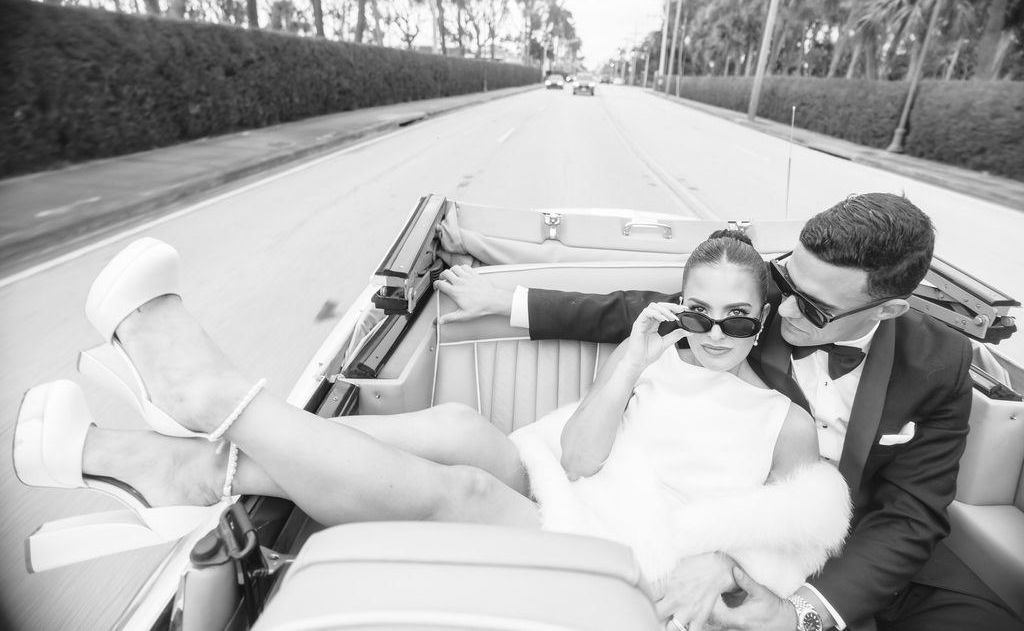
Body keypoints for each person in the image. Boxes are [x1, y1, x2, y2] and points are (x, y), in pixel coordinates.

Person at [14, 232, 850, 631]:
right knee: (456, 423)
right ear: (677, 307)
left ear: (765, 314)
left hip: (636, 550)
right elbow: (581, 456)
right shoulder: (654, 363)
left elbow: (781, 563)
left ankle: (201, 412)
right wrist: (629, 361)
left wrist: (726, 564)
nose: (714, 331)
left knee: (466, 488)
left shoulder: (784, 424)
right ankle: (182, 470)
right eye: (697, 312)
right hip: (576, 484)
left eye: (737, 318)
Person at [435, 192, 1024, 631]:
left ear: (890, 309)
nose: (782, 307)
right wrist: (508, 300)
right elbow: (643, 312)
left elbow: (912, 513)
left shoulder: (939, 362)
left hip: (863, 561)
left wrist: (805, 615)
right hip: (726, 536)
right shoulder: (751, 308)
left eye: (815, 310)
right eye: (785, 279)